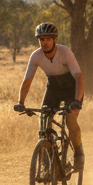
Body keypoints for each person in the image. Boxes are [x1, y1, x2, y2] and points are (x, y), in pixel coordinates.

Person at [14, 23, 85, 171]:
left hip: (72, 88)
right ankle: (48, 162)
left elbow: (79, 78)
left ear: (55, 39)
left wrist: (77, 101)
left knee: (70, 120)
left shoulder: (65, 52)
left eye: (48, 39)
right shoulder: (36, 55)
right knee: (43, 121)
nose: (44, 43)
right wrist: (21, 102)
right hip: (53, 88)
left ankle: (79, 154)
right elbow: (27, 81)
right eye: (41, 40)